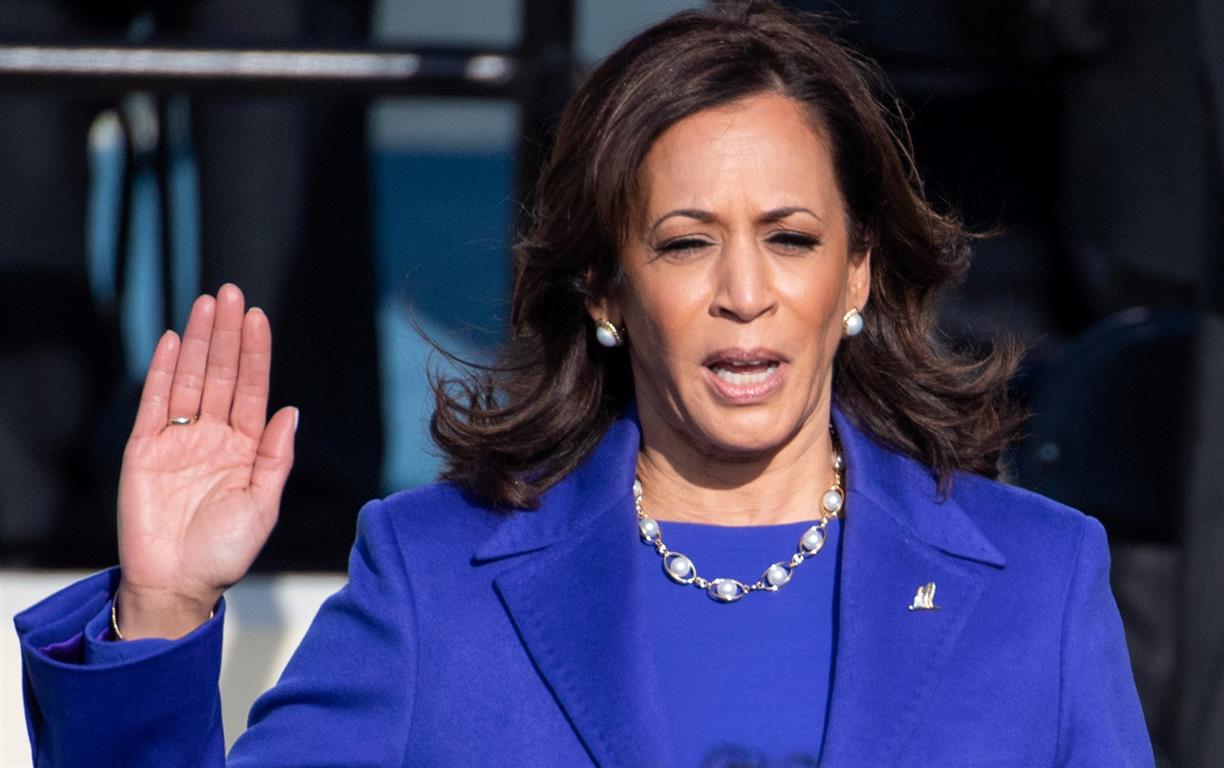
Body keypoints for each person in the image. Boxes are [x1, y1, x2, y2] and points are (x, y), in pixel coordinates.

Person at [14, 2, 1154, 766]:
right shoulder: (434, 578)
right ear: (606, 289)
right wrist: (162, 610)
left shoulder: (1043, 583)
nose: (744, 292)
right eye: (685, 242)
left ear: (857, 270)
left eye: (793, 238)